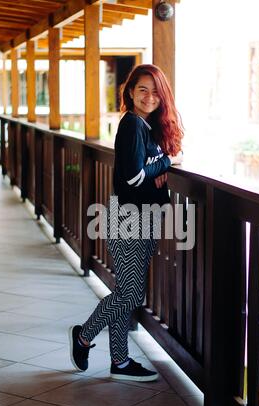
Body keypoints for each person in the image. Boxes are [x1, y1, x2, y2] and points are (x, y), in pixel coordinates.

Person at [69, 64, 183, 382]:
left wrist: (161, 167)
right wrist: (166, 162)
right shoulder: (132, 124)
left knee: (126, 290)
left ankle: (119, 361)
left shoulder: (146, 127)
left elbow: (143, 170)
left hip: (143, 217)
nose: (149, 96)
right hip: (129, 217)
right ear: (130, 92)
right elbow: (134, 177)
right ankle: (83, 336)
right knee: (130, 295)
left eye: (155, 90)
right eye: (142, 89)